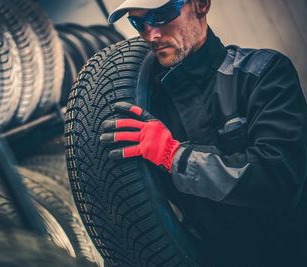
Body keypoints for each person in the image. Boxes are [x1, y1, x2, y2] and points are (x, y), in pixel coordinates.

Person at [101, 0, 307, 265]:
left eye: (162, 15)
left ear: (200, 5)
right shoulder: (148, 106)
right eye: (138, 22)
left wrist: (174, 157)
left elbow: (280, 179)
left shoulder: (263, 73)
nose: (151, 34)